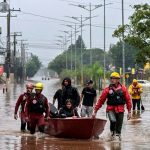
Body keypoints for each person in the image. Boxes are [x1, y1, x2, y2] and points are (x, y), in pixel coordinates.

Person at [92, 72, 132, 141]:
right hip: (110, 109)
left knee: (119, 127)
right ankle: (111, 135)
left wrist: (129, 111)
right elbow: (101, 101)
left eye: (114, 78)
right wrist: (95, 111)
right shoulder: (107, 89)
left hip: (120, 110)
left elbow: (128, 100)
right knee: (113, 121)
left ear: (118, 80)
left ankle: (118, 138)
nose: (112, 80)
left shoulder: (123, 89)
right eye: (111, 78)